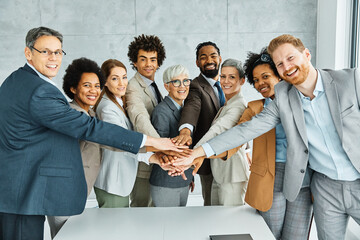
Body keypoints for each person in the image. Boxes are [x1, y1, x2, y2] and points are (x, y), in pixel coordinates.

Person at [0, 26, 179, 240]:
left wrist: (151, 155)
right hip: (26, 191)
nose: (54, 58)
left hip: (20, 187)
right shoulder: (40, 91)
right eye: (45, 51)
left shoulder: (16, 80)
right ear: (28, 53)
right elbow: (90, 129)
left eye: (58, 52)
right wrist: (153, 142)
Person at [182, 34, 360, 240]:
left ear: (307, 55)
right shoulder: (283, 97)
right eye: (280, 64)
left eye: (291, 58)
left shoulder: (351, 80)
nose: (287, 67)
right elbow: (245, 130)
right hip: (324, 187)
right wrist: (199, 152)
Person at [241, 49, 312, 239]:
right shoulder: (256, 108)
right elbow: (236, 134)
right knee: (269, 234)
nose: (260, 84)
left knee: (296, 235)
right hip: (270, 178)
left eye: (265, 76)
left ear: (280, 76)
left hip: (301, 177)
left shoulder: (303, 101)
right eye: (255, 80)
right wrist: (199, 155)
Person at [47, 57, 106, 238]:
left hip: (74, 193)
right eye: (87, 85)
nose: (94, 91)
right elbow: (108, 139)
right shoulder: (73, 115)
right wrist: (152, 150)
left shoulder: (90, 112)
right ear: (73, 88)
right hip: (62, 194)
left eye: (97, 86)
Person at [93, 59, 153, 208]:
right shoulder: (107, 108)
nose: (122, 83)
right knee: (113, 228)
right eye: (115, 78)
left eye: (124, 77)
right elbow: (123, 143)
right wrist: (152, 157)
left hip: (120, 179)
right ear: (104, 82)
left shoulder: (119, 102)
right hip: (112, 181)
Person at [173, 41, 225, 206]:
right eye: (203, 57)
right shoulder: (195, 86)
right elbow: (192, 108)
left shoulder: (226, 83)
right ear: (197, 63)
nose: (209, 60)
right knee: (211, 204)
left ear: (220, 58)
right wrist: (186, 131)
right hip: (208, 160)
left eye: (213, 56)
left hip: (229, 156)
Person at [193, 58, 250, 206]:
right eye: (223, 76)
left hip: (232, 175)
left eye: (232, 77)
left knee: (229, 224)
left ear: (242, 81)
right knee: (217, 221)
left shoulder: (238, 105)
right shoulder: (228, 103)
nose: (226, 81)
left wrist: (194, 153)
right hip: (220, 173)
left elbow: (218, 130)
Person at [126, 34, 166, 207]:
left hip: (156, 161)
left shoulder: (154, 86)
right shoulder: (133, 88)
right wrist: (164, 146)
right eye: (143, 59)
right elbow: (140, 119)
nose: (148, 64)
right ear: (134, 62)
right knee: (140, 211)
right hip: (143, 164)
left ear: (158, 62)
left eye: (153, 59)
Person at [149, 64, 194, 207]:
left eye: (186, 81)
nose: (182, 86)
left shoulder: (186, 109)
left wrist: (190, 174)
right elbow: (159, 148)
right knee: (167, 226)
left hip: (183, 179)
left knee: (180, 226)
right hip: (166, 181)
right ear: (167, 86)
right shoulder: (161, 111)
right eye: (176, 82)